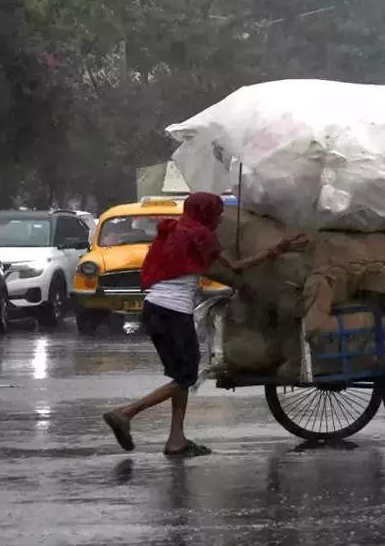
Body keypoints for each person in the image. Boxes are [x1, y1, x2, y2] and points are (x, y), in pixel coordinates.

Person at [102, 192, 306, 457]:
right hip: (173, 313)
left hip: (154, 308)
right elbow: (236, 267)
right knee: (185, 377)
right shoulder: (200, 235)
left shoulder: (176, 230)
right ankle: (126, 413)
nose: (220, 218)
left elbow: (198, 269)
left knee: (180, 377)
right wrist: (275, 251)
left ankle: (176, 440)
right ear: (206, 213)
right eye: (217, 213)